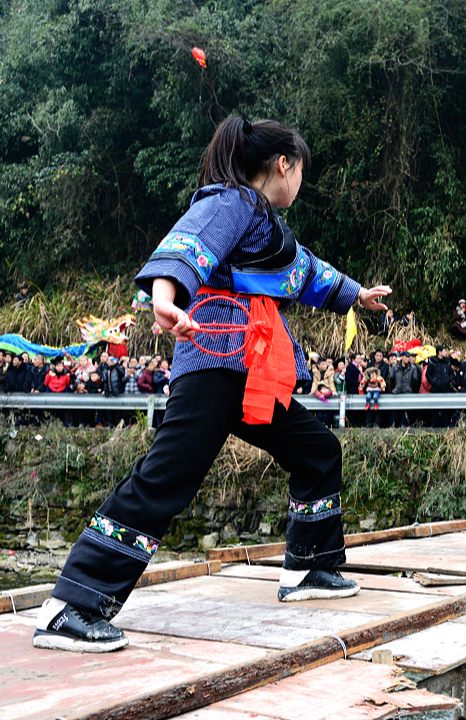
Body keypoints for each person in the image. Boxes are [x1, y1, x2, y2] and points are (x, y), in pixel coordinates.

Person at [34, 115, 391, 654]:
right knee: (164, 479)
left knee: (318, 450)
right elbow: (188, 244)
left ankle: (309, 569)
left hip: (249, 372)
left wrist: (355, 294)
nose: (300, 183)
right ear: (283, 165)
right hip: (213, 365)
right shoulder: (233, 203)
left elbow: (303, 271)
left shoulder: (262, 224)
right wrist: (163, 297)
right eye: (302, 172)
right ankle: (73, 606)